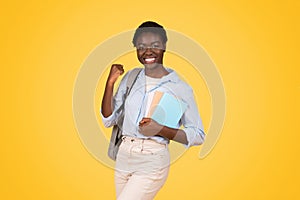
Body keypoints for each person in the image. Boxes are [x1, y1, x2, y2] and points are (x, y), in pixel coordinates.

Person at [101, 21, 205, 200]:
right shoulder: (131, 77)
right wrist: (110, 84)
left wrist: (160, 129)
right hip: (123, 155)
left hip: (152, 159)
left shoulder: (179, 87)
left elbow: (197, 135)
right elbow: (109, 119)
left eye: (155, 45)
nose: (147, 51)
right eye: (141, 46)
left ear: (164, 46)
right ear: (135, 48)